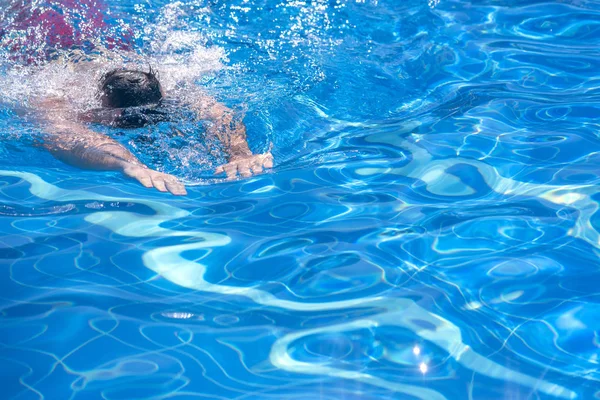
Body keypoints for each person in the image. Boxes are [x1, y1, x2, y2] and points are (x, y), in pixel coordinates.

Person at [39, 67, 273, 196]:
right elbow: (61, 133)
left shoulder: (175, 91)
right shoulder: (56, 93)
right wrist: (127, 163)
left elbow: (220, 115)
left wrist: (240, 152)